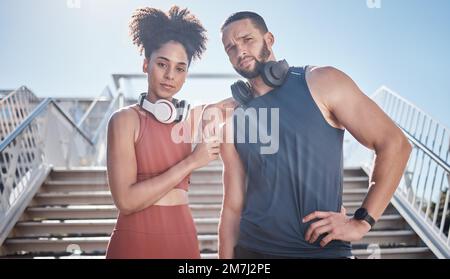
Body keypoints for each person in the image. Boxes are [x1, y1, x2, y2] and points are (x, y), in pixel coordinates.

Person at [217, 11, 412, 259]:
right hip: (253, 252)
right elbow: (232, 209)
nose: (239, 51)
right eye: (230, 48)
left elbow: (394, 144)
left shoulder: (321, 82)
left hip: (321, 252)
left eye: (247, 40)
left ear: (269, 39)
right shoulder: (233, 122)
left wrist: (362, 221)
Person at [105, 6, 219, 259]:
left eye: (180, 68)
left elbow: (241, 107)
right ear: (146, 64)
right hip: (134, 239)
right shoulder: (125, 120)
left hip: (183, 238)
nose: (170, 76)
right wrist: (191, 162)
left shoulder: (189, 120)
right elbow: (126, 201)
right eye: (162, 64)